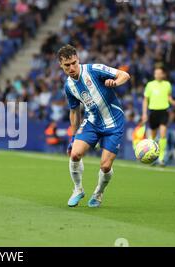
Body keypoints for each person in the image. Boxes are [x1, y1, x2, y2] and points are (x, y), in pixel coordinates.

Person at [58, 44, 131, 208]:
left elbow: (124, 74)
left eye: (74, 63)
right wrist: (73, 135)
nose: (71, 68)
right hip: (92, 120)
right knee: (75, 154)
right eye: (67, 65)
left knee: (105, 166)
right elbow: (74, 111)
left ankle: (98, 193)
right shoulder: (69, 86)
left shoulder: (94, 69)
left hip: (113, 122)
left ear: (78, 59)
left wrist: (115, 82)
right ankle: (78, 189)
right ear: (61, 65)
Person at [142, 67, 175, 167]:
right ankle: (152, 157)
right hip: (153, 111)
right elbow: (145, 100)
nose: (157, 74)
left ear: (163, 74)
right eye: (156, 73)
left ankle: (161, 158)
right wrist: (144, 113)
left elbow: (169, 96)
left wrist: (172, 101)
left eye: (159, 73)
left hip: (164, 111)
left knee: (162, 134)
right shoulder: (150, 85)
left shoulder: (167, 84)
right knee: (152, 136)